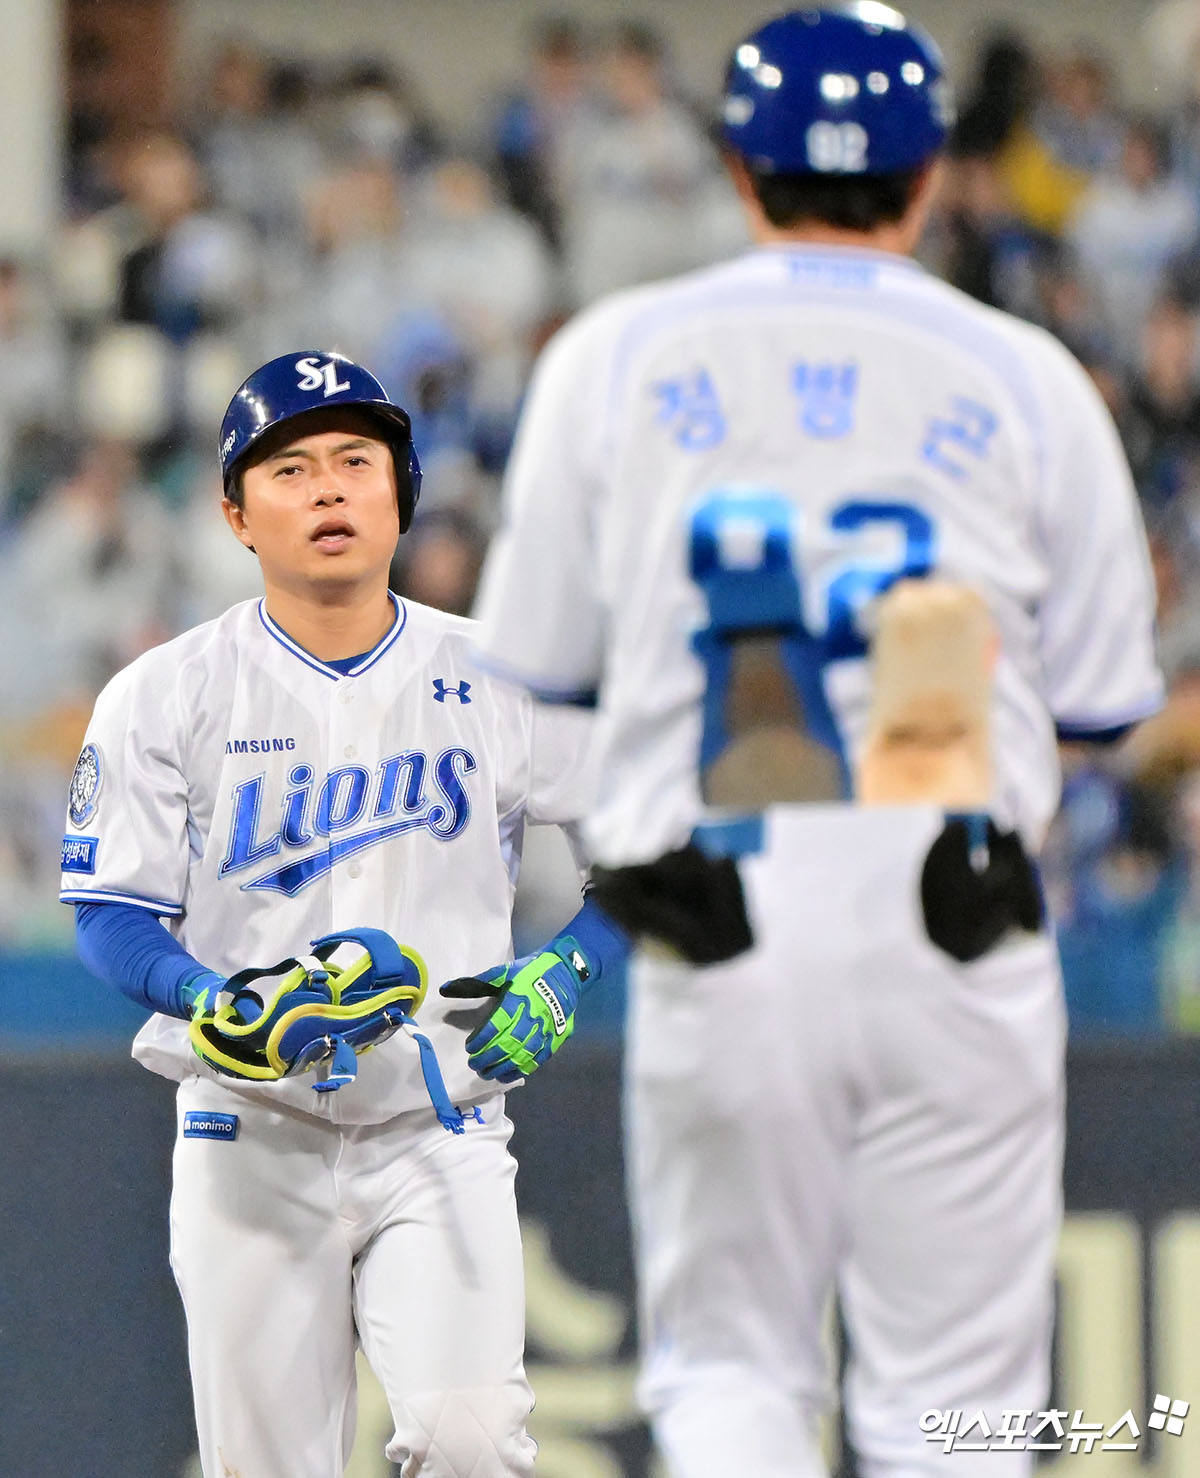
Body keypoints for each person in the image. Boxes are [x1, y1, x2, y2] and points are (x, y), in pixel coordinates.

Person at [470, 7, 1163, 1475]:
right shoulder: (1030, 375)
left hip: (715, 902)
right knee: (958, 1404)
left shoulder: (616, 355)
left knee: (733, 1371)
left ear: (738, 166)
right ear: (929, 173)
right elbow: (1104, 703)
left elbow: (531, 671)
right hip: (957, 902)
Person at [58, 350, 627, 1477]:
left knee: (473, 1447)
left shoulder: (506, 676)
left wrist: (571, 971)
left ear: (400, 495)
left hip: (441, 1124)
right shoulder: (165, 692)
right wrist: (207, 998)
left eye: (356, 461)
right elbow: (112, 910)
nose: (328, 487)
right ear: (235, 514)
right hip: (246, 1127)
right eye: (291, 468)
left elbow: (651, 860)